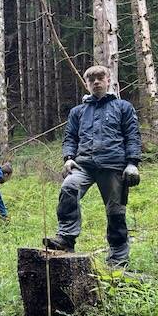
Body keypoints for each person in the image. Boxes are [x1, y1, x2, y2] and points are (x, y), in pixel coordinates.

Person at [44, 65, 141, 267]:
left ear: (108, 81)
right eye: (91, 79)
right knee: (68, 188)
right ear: (87, 84)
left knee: (115, 212)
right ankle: (66, 239)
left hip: (114, 166)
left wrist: (132, 163)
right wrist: (68, 158)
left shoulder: (123, 107)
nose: (96, 82)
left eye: (100, 78)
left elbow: (132, 136)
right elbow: (70, 137)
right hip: (84, 165)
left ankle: (118, 259)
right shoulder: (78, 112)